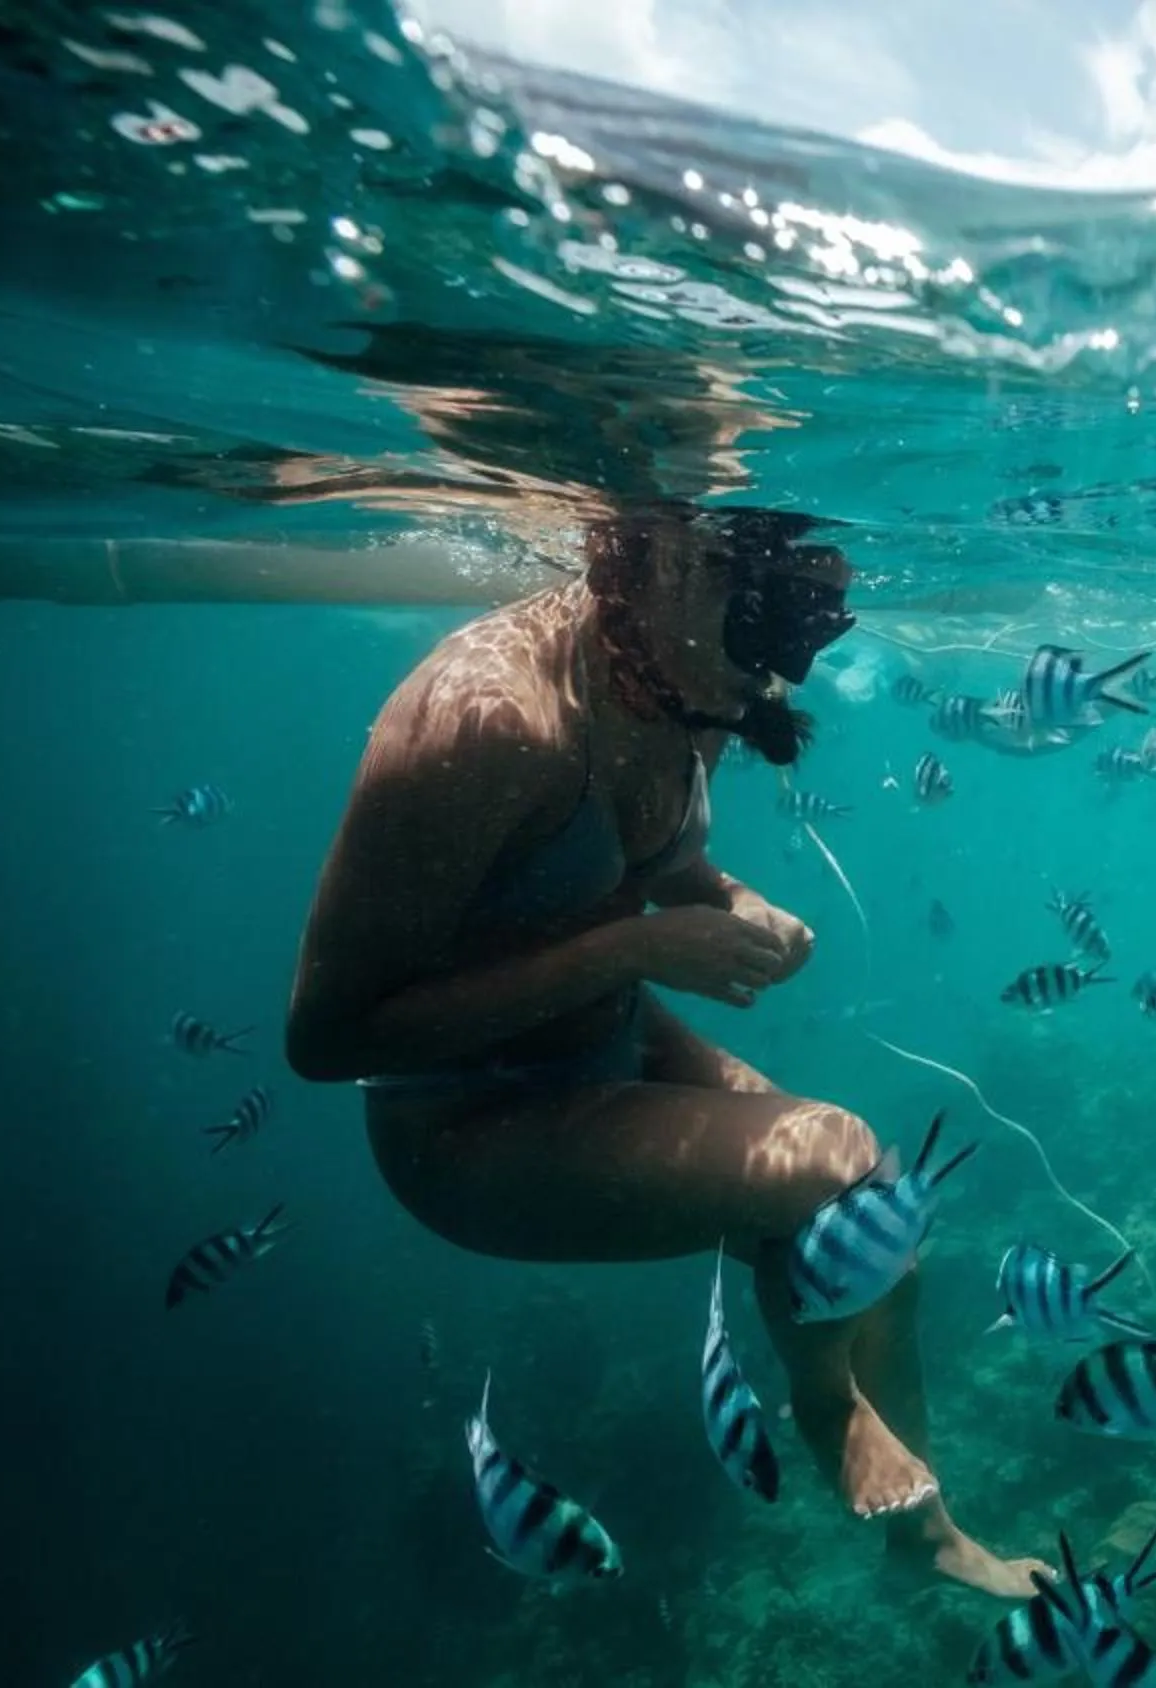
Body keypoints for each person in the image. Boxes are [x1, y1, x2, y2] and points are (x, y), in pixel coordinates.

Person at [284, 502, 1037, 1596]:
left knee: (880, 1215)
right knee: (832, 1165)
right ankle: (827, 1407)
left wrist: (734, 903)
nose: (776, 679)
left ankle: (924, 1536)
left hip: (613, 1030)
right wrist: (631, 950)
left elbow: (655, 861)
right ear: (659, 559)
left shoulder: (689, 670)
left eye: (808, 632)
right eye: (763, 627)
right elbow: (329, 1037)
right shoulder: (485, 718)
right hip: (460, 1123)